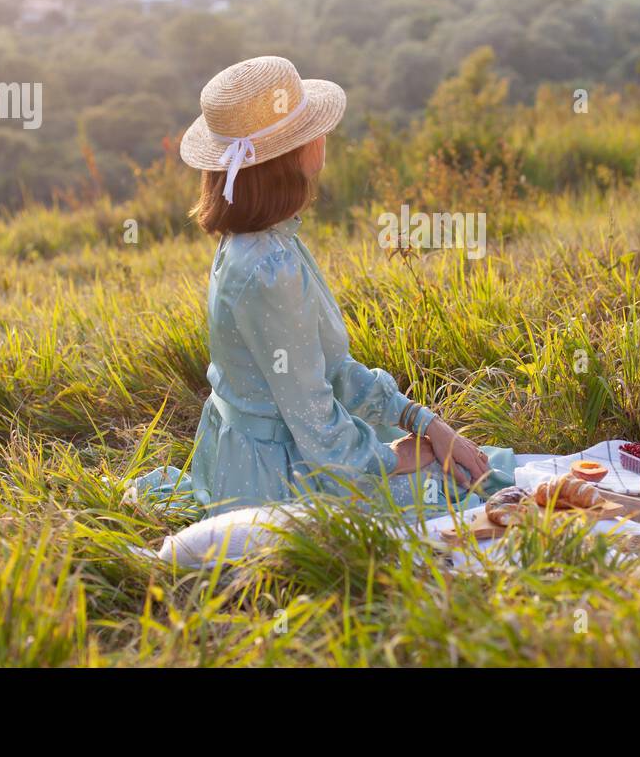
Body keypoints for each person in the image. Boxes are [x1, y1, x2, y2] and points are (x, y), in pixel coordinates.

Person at [134, 55, 510, 518]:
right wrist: (392, 457)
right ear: (294, 154)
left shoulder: (262, 241)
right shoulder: (269, 268)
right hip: (275, 476)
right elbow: (311, 414)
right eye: (312, 128)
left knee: (473, 472)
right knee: (474, 492)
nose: (322, 134)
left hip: (266, 451)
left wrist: (423, 422)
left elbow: (328, 368)